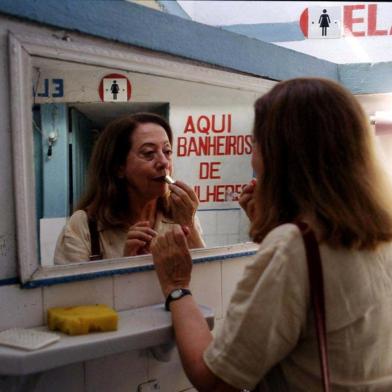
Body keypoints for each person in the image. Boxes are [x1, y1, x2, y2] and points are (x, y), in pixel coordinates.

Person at [151, 78, 392, 391]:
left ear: (280, 155)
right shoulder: (378, 234)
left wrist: (177, 288)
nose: (253, 159)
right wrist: (274, 230)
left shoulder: (294, 247)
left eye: (256, 144)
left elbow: (216, 381)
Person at [54, 113, 205, 264]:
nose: (164, 162)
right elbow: (70, 288)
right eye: (149, 153)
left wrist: (189, 226)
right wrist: (126, 266)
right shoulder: (83, 226)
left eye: (167, 151)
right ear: (119, 167)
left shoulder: (180, 215)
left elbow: (209, 278)